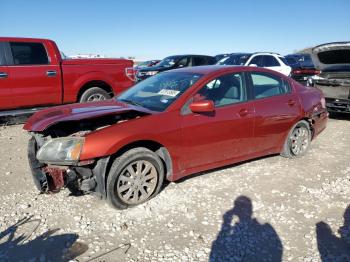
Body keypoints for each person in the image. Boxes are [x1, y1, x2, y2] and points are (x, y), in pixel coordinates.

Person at [210, 196, 283, 262]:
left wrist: (225, 224)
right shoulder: (266, 229)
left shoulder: (235, 236)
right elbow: (278, 250)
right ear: (251, 211)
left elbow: (217, 251)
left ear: (236, 213)